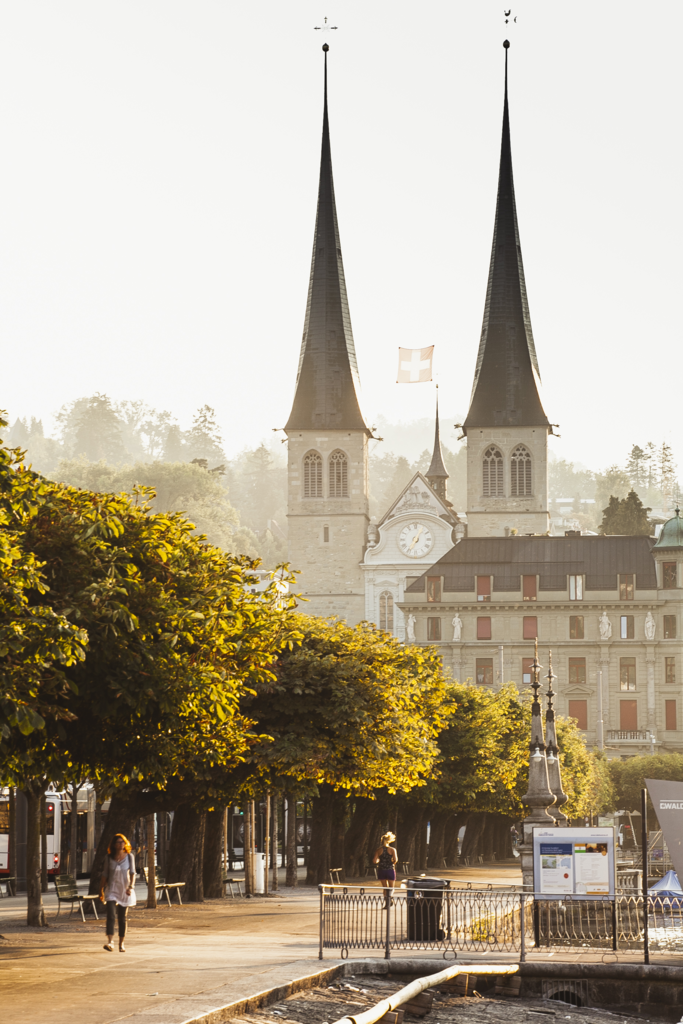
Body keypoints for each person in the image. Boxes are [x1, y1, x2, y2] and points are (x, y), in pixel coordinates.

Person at [100, 833, 136, 952]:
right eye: (118, 842)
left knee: (122, 918)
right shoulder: (108, 858)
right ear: (114, 845)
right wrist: (101, 889)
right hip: (111, 890)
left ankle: (121, 944)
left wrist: (131, 887)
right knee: (110, 915)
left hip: (124, 890)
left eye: (123, 842)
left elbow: (132, 873)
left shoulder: (130, 856)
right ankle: (110, 942)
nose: (121, 844)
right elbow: (105, 874)